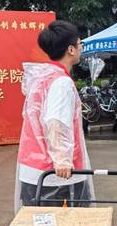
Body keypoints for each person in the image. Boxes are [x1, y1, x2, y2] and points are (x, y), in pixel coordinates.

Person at [16, 20, 91, 209]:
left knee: (39, 225)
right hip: (55, 175)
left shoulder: (41, 78)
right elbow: (55, 122)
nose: (81, 48)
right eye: (80, 43)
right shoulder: (61, 83)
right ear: (71, 50)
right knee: (67, 225)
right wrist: (62, 159)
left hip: (33, 168)